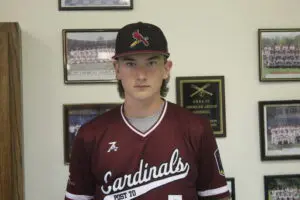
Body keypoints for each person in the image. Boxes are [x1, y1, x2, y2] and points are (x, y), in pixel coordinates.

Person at [64, 21, 230, 200]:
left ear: (166, 69)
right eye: (130, 64)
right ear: (117, 69)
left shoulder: (196, 128)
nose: (141, 75)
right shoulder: (90, 134)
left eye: (151, 63)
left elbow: (217, 197)